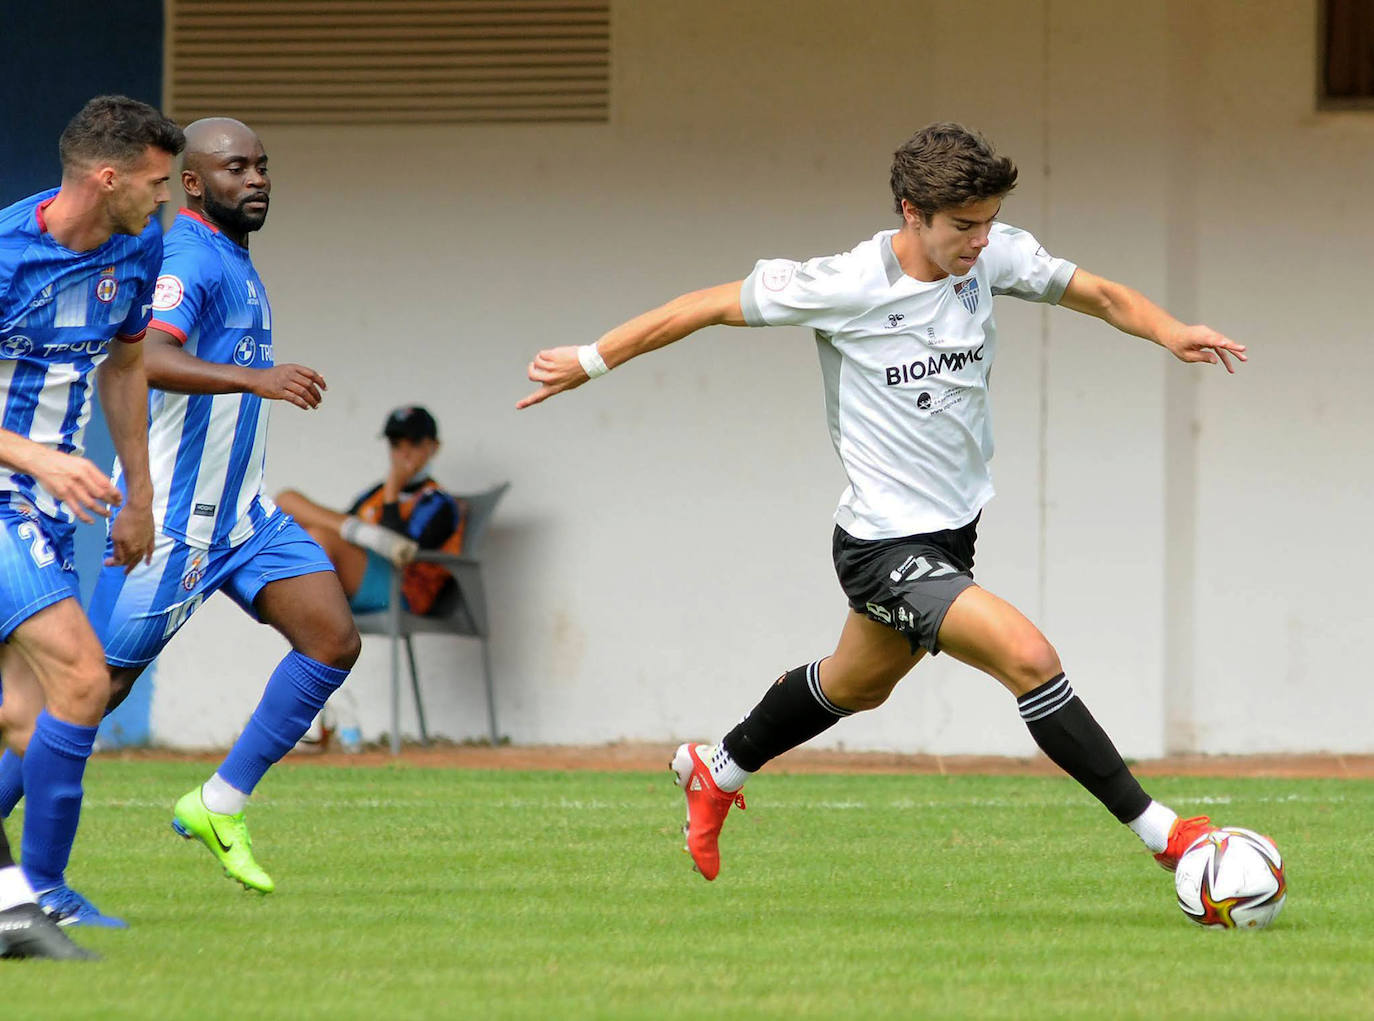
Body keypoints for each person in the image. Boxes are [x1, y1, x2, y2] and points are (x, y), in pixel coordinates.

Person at [517, 122, 1247, 882]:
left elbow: (1093, 291)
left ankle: (718, 766)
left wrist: (1169, 330)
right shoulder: (845, 283)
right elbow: (702, 306)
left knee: (853, 684)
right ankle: (1167, 836)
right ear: (911, 212)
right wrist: (591, 360)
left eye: (989, 220)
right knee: (1029, 657)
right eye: (964, 226)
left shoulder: (989, 255)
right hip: (883, 548)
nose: (980, 239)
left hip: (951, 535)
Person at [0, 117, 361, 905]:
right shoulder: (189, 254)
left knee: (332, 638)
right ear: (193, 184)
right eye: (236, 168)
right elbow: (150, 357)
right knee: (85, 693)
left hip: (245, 518)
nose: (257, 179)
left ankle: (218, 803)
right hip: (179, 526)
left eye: (263, 165)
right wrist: (254, 380)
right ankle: (20, 878)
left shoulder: (231, 255)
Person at [0, 94, 181, 939]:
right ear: (106, 179)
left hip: (48, 506)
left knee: (26, 714)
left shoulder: (137, 249)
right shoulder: (5, 254)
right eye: (155, 182)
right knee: (80, 675)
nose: (167, 198)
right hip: (8, 490)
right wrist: (36, 456)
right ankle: (42, 893)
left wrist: (139, 492)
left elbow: (126, 364)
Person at [276, 405, 468, 618]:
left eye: (413, 443)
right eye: (396, 445)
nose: (403, 453)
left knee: (320, 538)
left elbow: (402, 551)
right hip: (363, 570)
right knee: (287, 500)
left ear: (433, 447)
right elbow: (339, 524)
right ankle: (357, 532)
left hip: (404, 588)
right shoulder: (376, 493)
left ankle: (316, 626)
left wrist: (393, 492)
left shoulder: (439, 501)